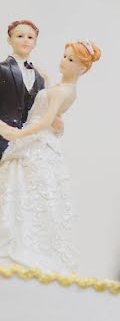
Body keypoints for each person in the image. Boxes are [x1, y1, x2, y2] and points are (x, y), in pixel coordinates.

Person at [0, 40, 102, 274]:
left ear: (82, 69)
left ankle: (23, 244)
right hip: (38, 139)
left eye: (71, 60)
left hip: (35, 139)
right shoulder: (60, 86)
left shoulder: (64, 91)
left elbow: (46, 120)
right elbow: (51, 112)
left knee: (28, 188)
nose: (64, 62)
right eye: (65, 57)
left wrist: (18, 133)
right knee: (24, 188)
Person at [1, 20, 47, 160]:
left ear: (35, 43)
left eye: (30, 37)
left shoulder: (40, 77)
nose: (25, 40)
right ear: (9, 39)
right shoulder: (2, 69)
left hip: (26, 146)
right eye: (20, 36)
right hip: (2, 139)